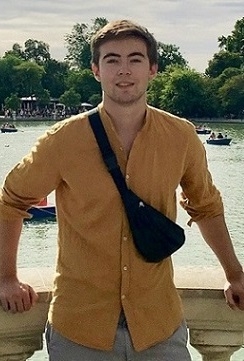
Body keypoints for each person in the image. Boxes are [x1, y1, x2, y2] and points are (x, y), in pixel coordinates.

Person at [0, 19, 244, 361]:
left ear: (153, 69)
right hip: (80, 326)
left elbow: (205, 206)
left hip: (158, 324)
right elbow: (11, 201)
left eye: (135, 59)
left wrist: (235, 274)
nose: (124, 70)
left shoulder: (181, 137)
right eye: (112, 59)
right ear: (96, 70)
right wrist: (6, 277)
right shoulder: (63, 141)